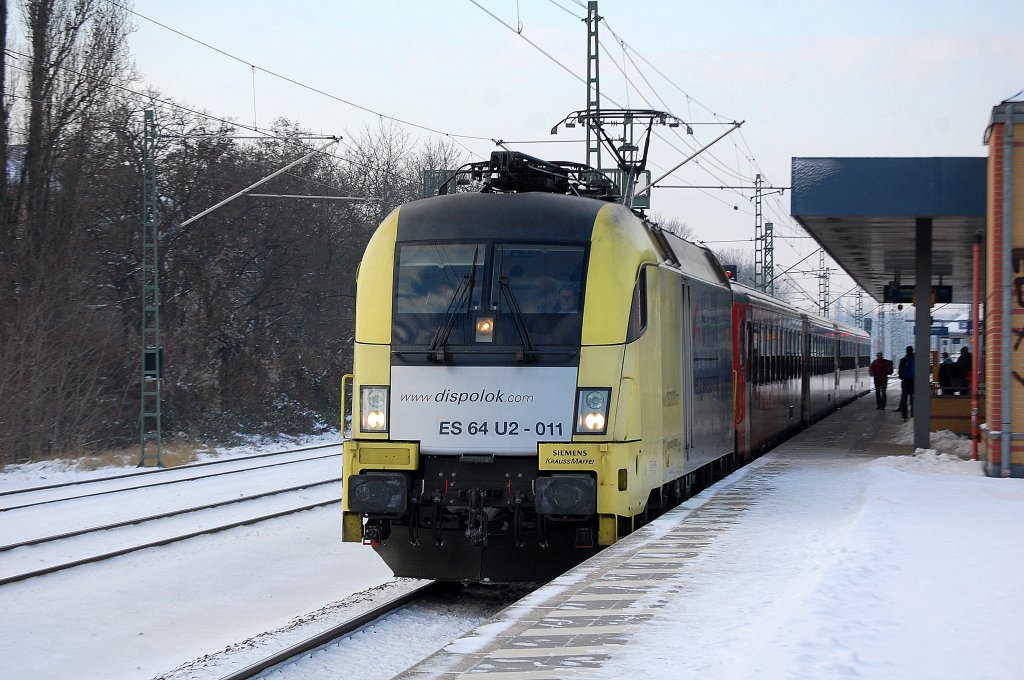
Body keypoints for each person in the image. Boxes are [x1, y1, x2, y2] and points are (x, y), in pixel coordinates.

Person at [896, 345, 914, 420]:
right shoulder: (916, 359)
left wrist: (903, 378)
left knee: (904, 399)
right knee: (913, 399)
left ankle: (904, 416)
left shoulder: (903, 360)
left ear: (906, 351)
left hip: (905, 383)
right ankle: (913, 415)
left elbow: (900, 372)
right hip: (913, 383)